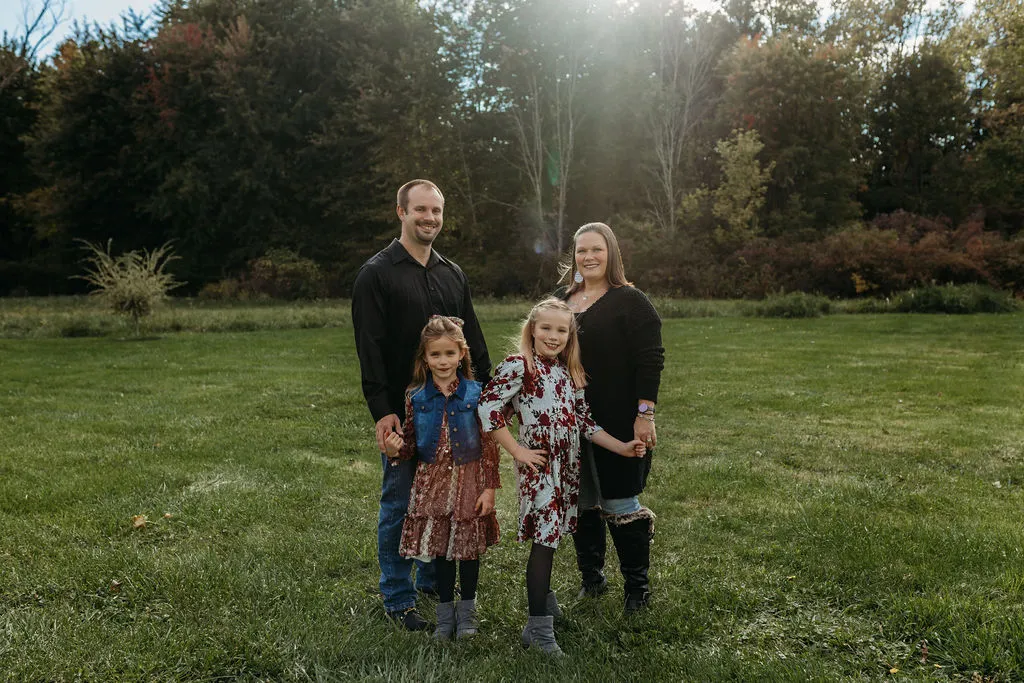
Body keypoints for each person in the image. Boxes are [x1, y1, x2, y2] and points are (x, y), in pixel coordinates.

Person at [352, 179, 492, 631]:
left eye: (436, 210)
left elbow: (473, 341)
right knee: (400, 502)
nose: (429, 218)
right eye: (420, 210)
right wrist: (382, 410)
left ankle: (435, 579)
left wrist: (488, 398)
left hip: (456, 413)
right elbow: (369, 348)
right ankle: (398, 597)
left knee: (448, 497)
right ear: (400, 212)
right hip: (405, 411)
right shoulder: (376, 274)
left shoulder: (453, 274)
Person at [477, 298, 645, 654]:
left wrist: (622, 447)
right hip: (539, 468)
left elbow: (585, 424)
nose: (553, 336)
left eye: (561, 330)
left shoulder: (569, 372)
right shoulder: (520, 366)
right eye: (546, 328)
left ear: (570, 336)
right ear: (532, 330)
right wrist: (518, 451)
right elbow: (488, 407)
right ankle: (537, 629)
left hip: (566, 468)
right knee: (545, 539)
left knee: (553, 536)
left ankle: (546, 603)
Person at [557, 222, 665, 614]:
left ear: (611, 254)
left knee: (619, 500)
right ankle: (592, 577)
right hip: (567, 421)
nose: (588, 257)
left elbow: (650, 359)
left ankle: (637, 588)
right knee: (581, 501)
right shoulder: (562, 298)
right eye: (581, 250)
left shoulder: (630, 301)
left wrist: (645, 414)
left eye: (596, 250)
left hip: (618, 417)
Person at [383, 316, 500, 640]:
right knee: (442, 550)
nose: (443, 361)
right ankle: (445, 615)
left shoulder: (477, 393)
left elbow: (490, 446)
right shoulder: (416, 397)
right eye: (435, 355)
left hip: (469, 480)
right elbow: (409, 445)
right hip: (432, 482)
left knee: (467, 550)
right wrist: (395, 451)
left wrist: (489, 488)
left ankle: (468, 614)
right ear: (425, 358)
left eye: (450, 353)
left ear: (462, 353)